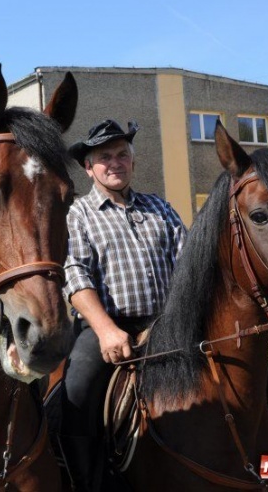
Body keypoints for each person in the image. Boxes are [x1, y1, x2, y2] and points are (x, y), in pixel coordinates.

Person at [59, 118, 187, 491]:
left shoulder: (160, 208)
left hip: (166, 326)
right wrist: (105, 329)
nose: (114, 163)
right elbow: (75, 274)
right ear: (89, 167)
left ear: (132, 160)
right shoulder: (77, 214)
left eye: (121, 155)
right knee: (76, 395)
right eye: (104, 158)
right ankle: (85, 483)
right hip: (106, 328)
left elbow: (189, 267)